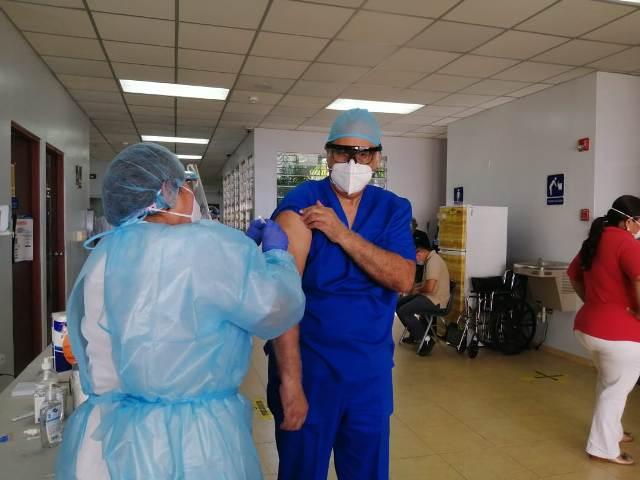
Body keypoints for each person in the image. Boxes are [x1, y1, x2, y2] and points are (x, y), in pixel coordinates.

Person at [55, 143, 305, 479]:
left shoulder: (104, 253)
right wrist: (276, 258)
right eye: (184, 186)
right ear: (166, 192)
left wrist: (239, 259)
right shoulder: (208, 249)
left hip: (107, 439)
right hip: (192, 444)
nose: (190, 195)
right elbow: (276, 310)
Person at [266, 109, 416, 479]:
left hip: (369, 373)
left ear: (377, 158)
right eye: (342, 152)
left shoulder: (393, 208)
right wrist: (290, 383)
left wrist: (341, 234)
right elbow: (283, 300)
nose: (352, 162)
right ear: (328, 155)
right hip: (311, 370)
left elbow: (402, 278)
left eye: (363, 153)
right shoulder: (301, 204)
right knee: (302, 471)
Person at [567, 195, 640, 466]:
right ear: (629, 221)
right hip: (619, 333)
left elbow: (573, 274)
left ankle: (614, 432)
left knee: (608, 382)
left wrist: (593, 301)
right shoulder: (626, 242)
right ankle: (603, 448)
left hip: (588, 326)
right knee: (616, 390)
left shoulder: (595, 240)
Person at [397, 232, 450, 350]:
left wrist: (416, 291)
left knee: (404, 311)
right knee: (398, 304)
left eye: (415, 254)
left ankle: (426, 339)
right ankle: (415, 333)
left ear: (420, 251)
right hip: (429, 297)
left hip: (436, 301)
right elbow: (425, 284)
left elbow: (429, 288)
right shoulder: (429, 260)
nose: (415, 258)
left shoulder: (433, 261)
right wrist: (411, 288)